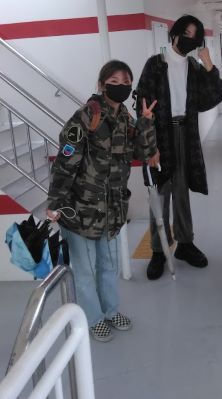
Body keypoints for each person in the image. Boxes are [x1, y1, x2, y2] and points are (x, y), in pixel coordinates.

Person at [46, 60, 157, 342]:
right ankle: (93, 319)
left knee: (108, 266)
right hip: (80, 210)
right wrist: (56, 202)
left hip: (111, 210)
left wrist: (146, 123)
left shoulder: (125, 119)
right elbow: (65, 161)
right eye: (114, 82)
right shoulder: (86, 116)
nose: (121, 87)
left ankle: (110, 311)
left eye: (126, 82)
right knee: (85, 271)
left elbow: (143, 153)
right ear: (101, 85)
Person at [137, 14, 222, 280]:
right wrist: (150, 146)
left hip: (186, 133)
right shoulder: (155, 64)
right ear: (174, 33)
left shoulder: (194, 67)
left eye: (195, 37)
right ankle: (158, 250)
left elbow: (213, 97)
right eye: (186, 33)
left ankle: (185, 243)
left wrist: (209, 66)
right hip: (161, 134)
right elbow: (143, 108)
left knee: (182, 192)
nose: (189, 40)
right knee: (160, 193)